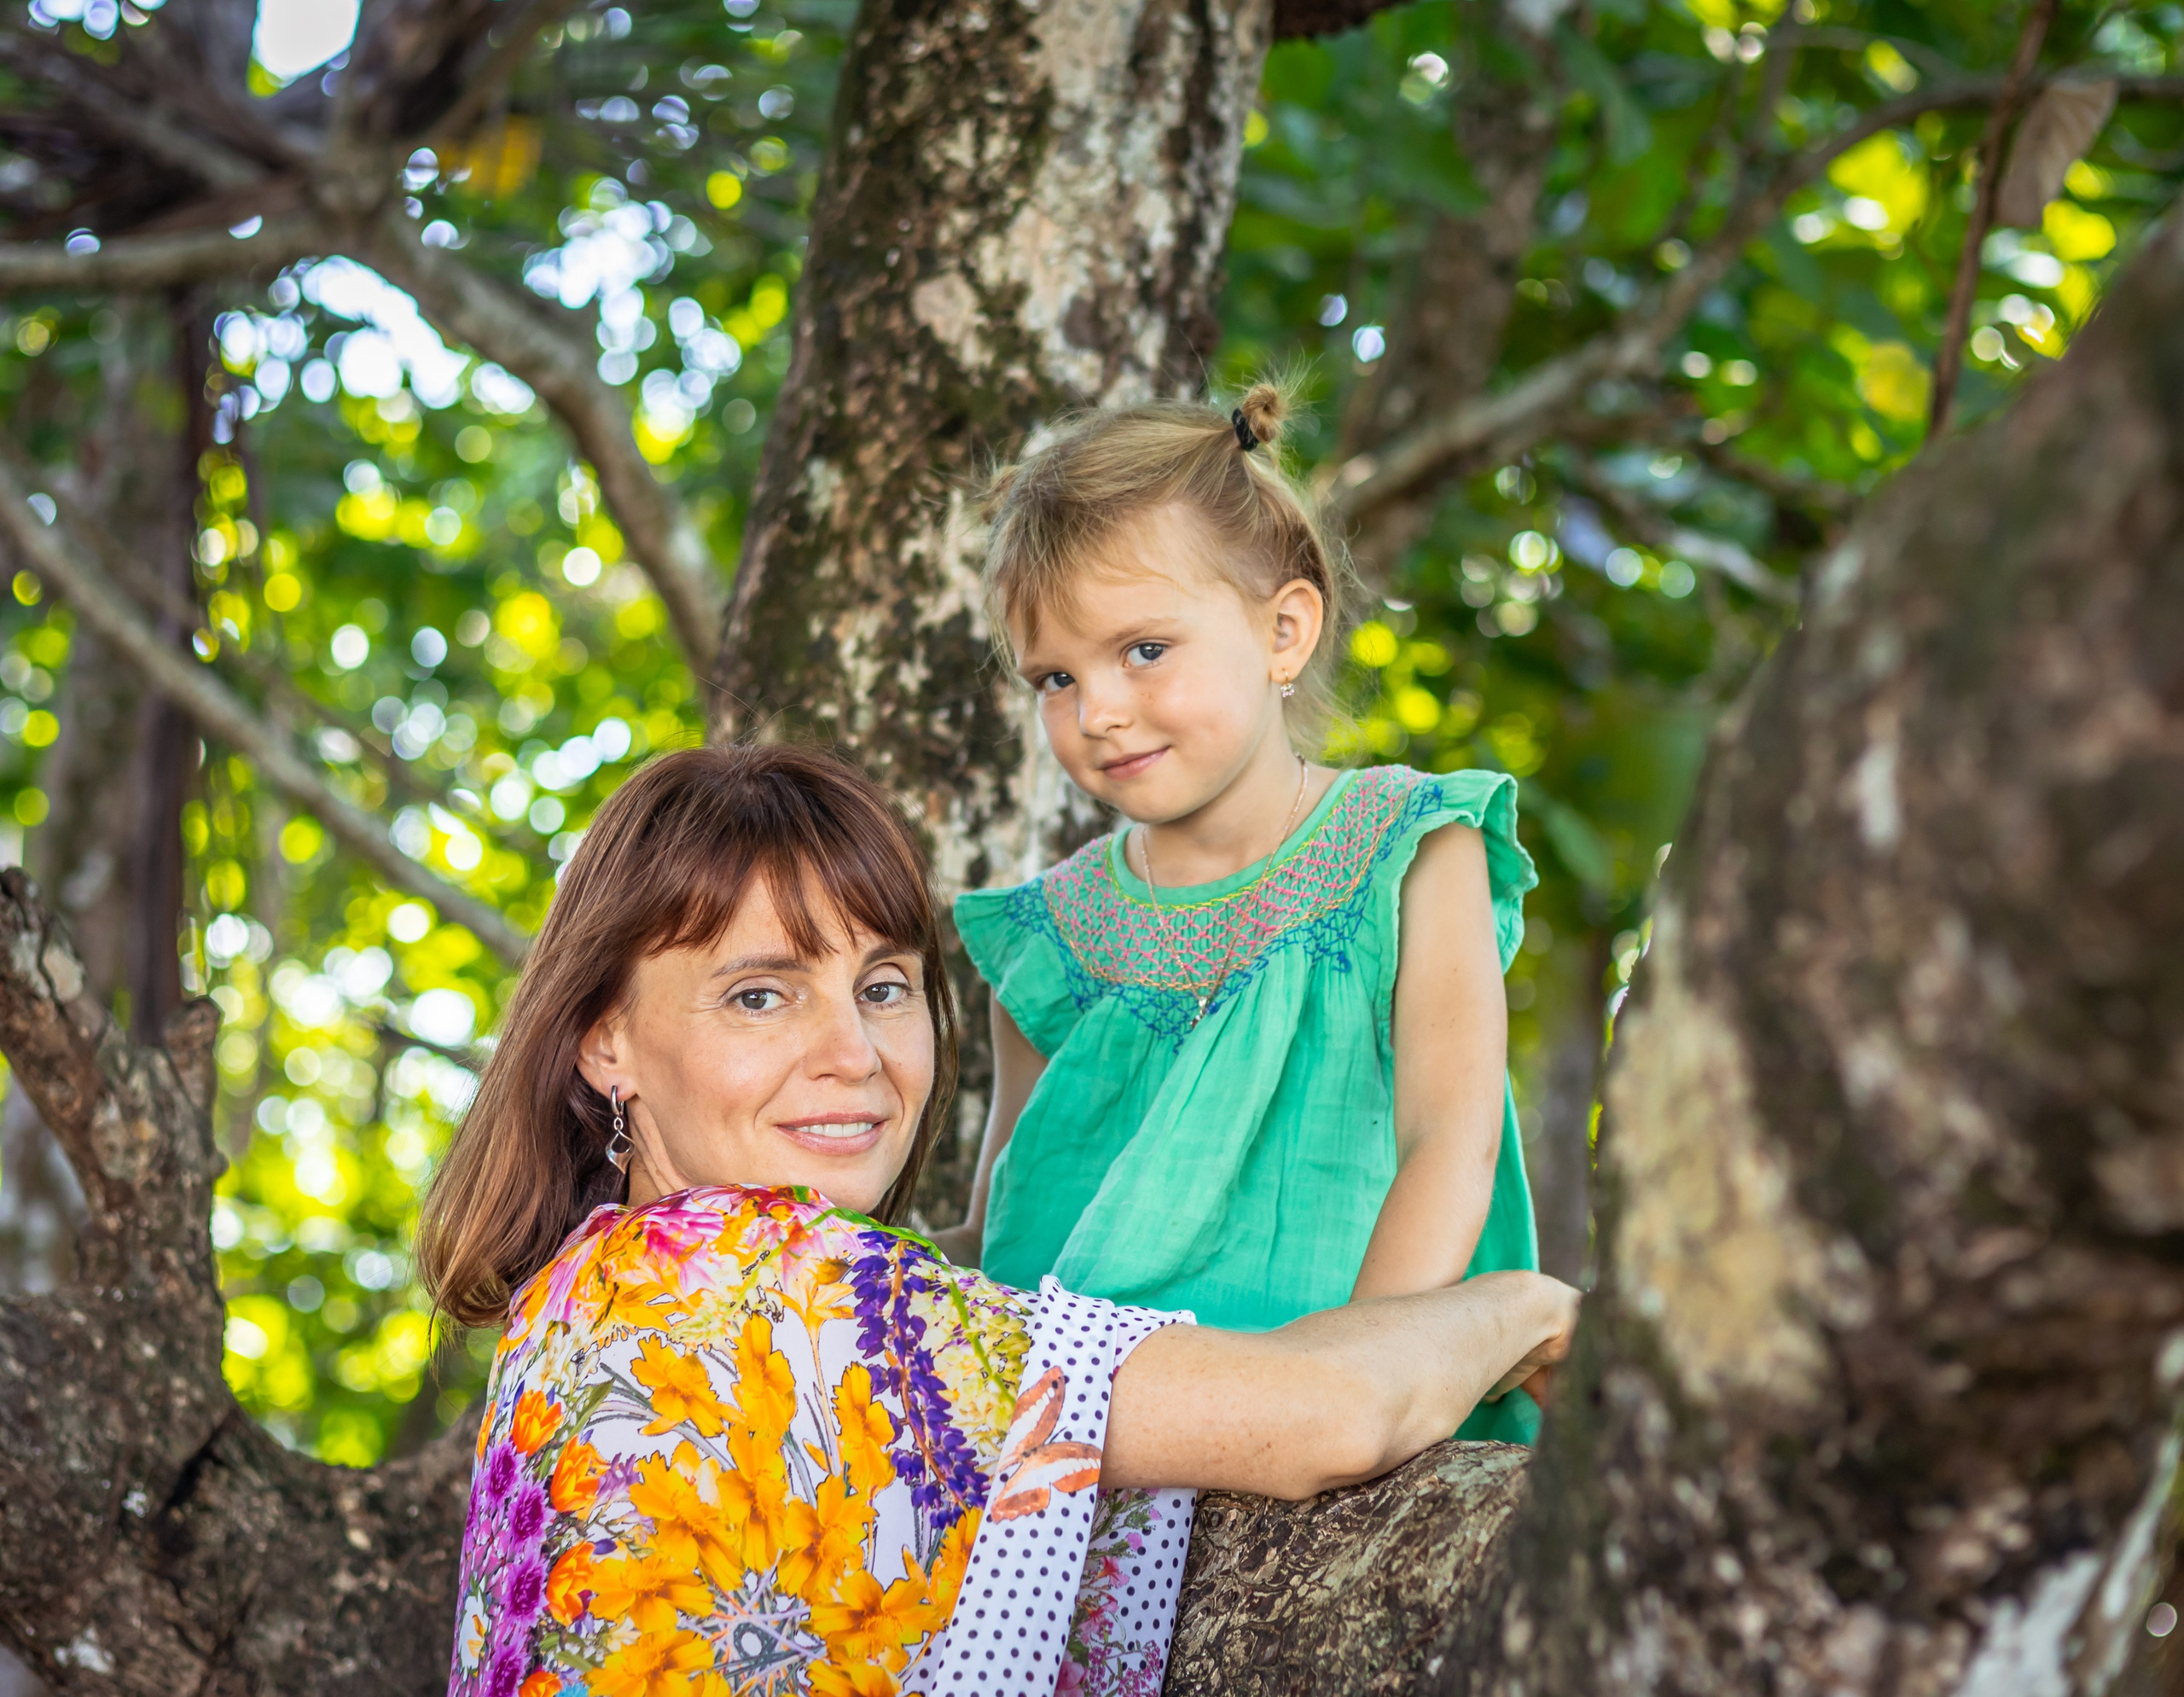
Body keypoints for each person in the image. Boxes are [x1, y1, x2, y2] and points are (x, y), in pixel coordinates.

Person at [418, 745, 1576, 1697]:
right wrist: (1519, 1305)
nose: (854, 1056)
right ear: (604, 1038)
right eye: (760, 994)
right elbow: (1328, 1415)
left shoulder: (574, 1298)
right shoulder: (782, 1284)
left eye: (882, 985)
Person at [938, 381, 1546, 1442]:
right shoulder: (1052, 938)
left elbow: (1451, 1147)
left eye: (1141, 650)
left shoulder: (1410, 849)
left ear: (1283, 631)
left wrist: (1355, 1385)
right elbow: (1002, 1227)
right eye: (1054, 678)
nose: (1099, 712)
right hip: (1092, 1444)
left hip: (1349, 1414)